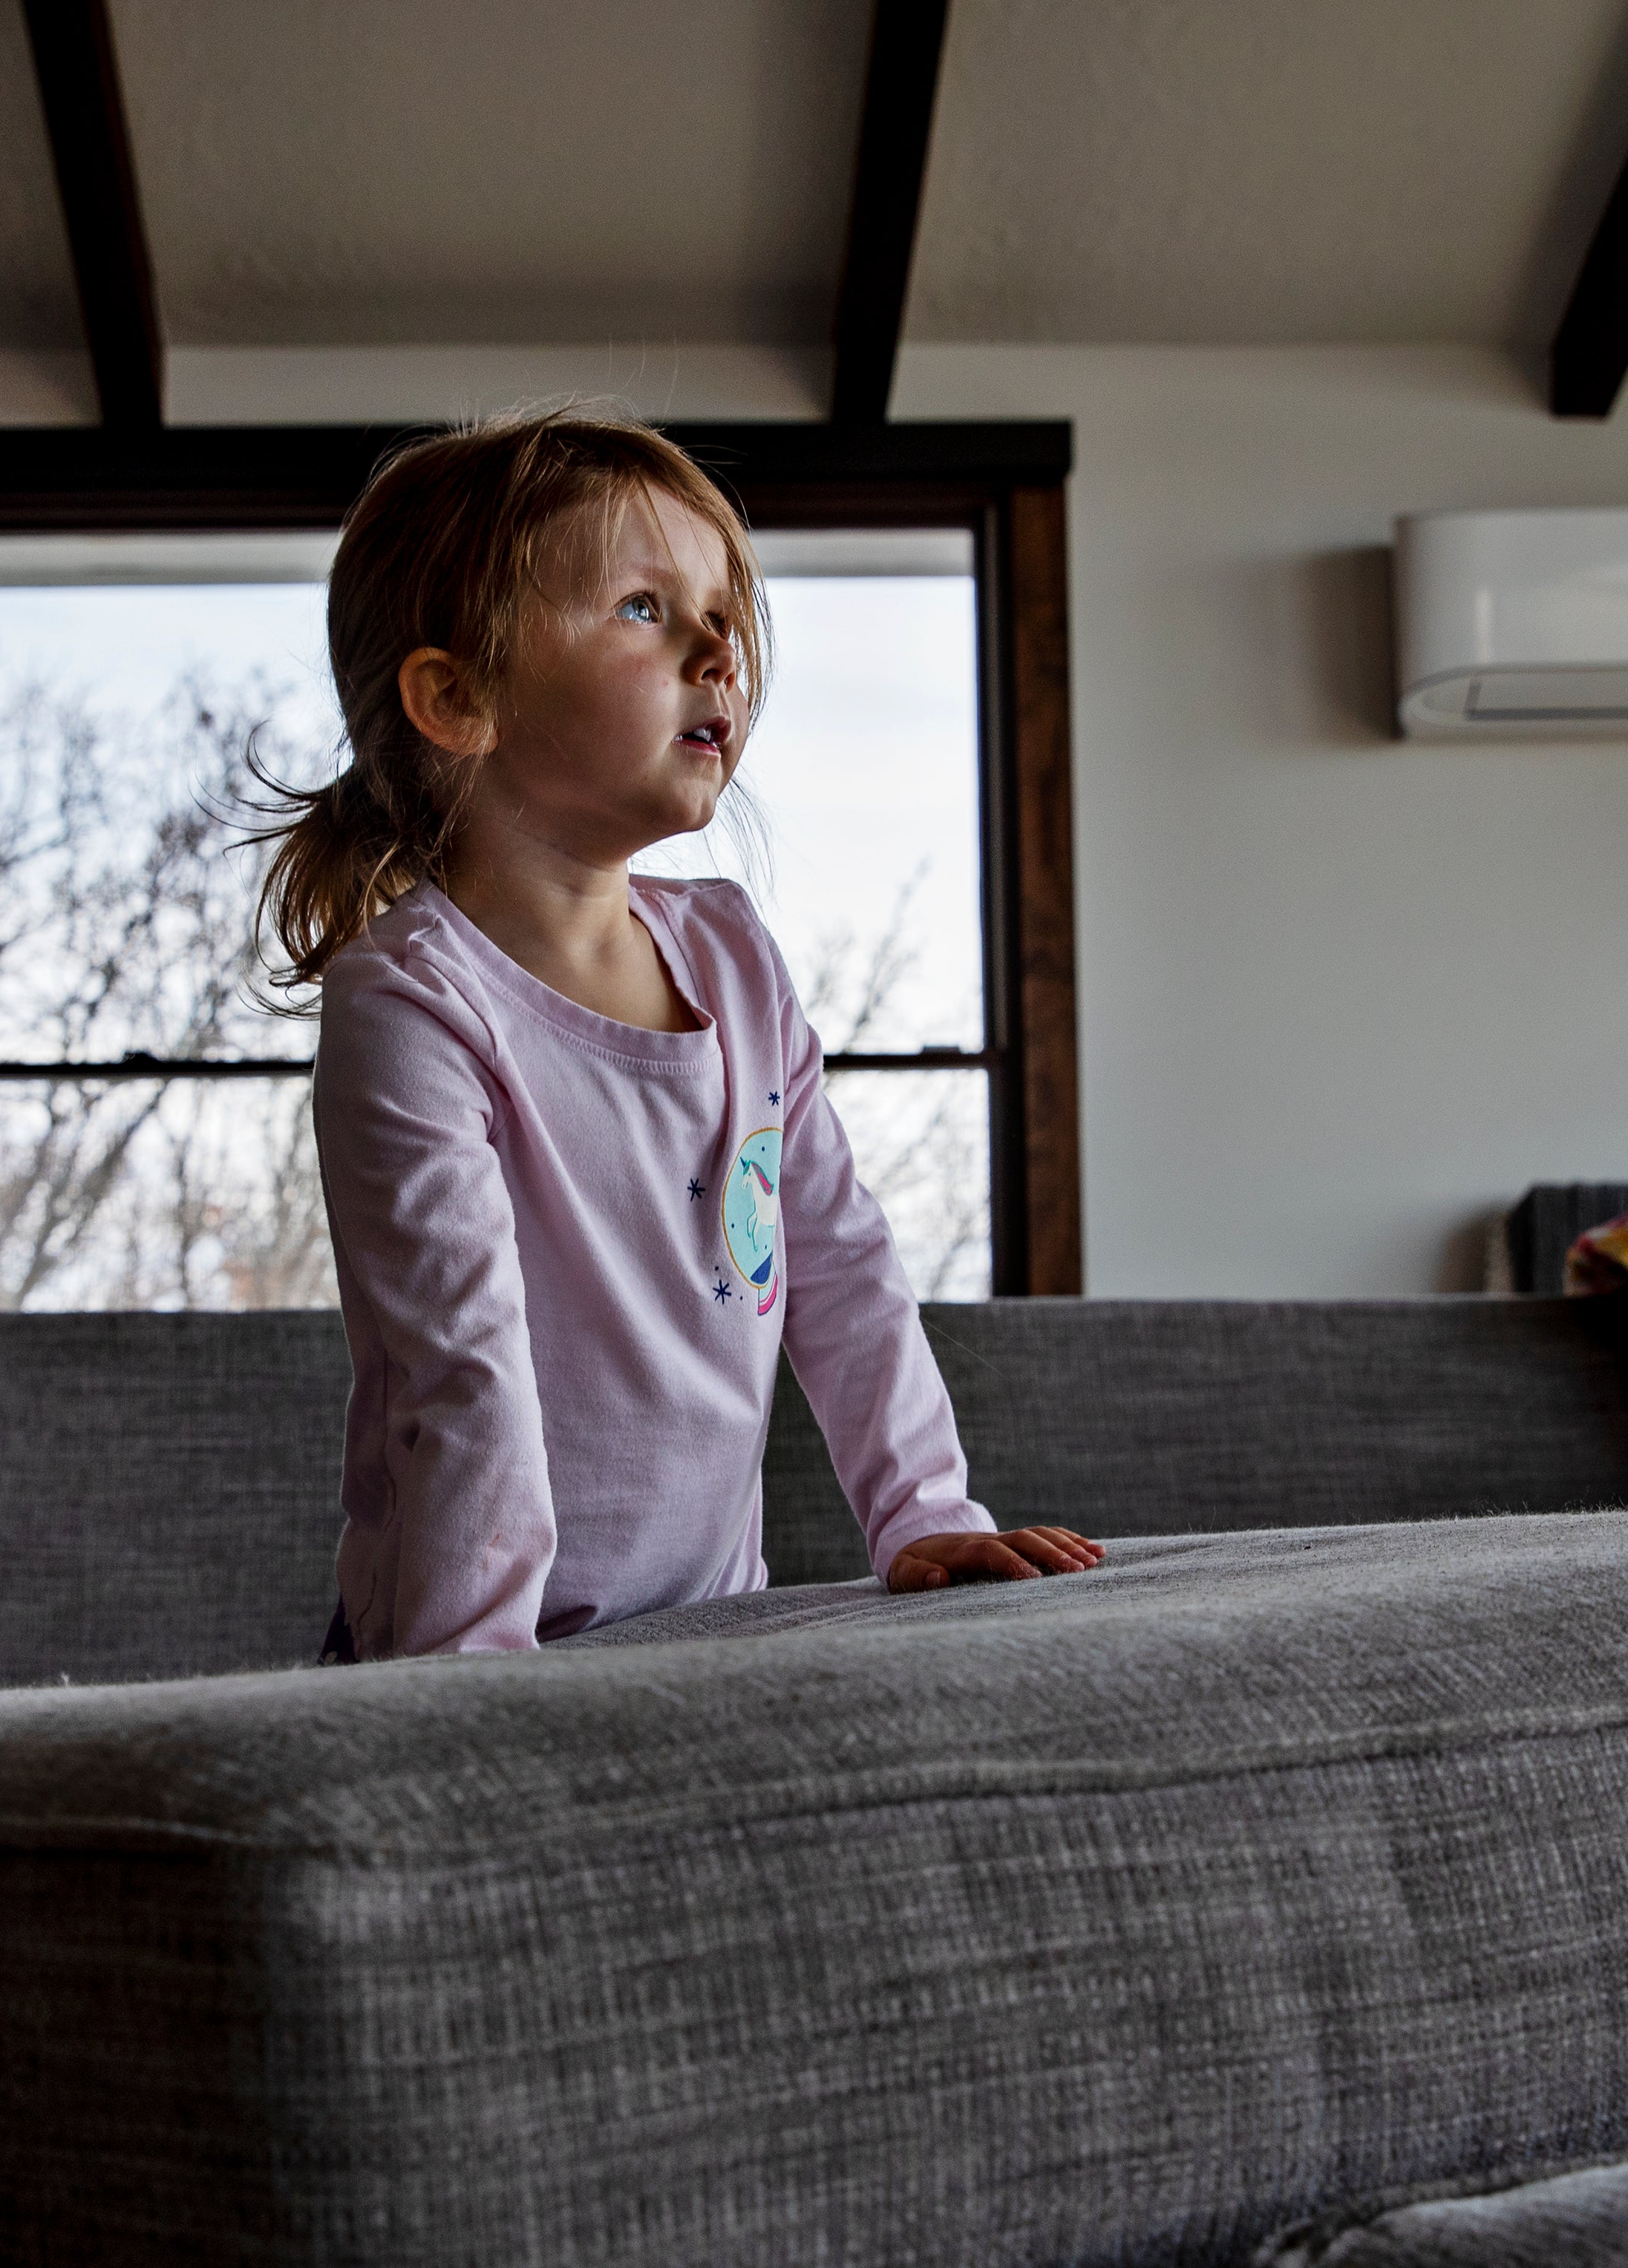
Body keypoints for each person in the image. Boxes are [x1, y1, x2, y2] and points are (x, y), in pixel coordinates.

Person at [256, 406, 1100, 1660]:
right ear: (458, 697)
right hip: (463, 1650)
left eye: (724, 614)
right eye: (645, 608)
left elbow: (842, 1269)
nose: (718, 649)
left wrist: (922, 1512)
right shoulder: (416, 1003)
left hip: (711, 1634)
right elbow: (462, 1374)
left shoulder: (736, 958)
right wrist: (469, 1692)